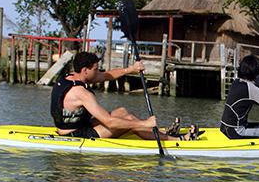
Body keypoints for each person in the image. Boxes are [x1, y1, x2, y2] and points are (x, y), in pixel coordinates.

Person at [52, 51, 181, 140]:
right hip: (75, 134)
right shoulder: (81, 93)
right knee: (130, 121)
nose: (98, 72)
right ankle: (174, 139)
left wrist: (131, 69)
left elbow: (106, 75)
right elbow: (109, 122)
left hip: (78, 125)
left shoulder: (70, 77)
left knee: (122, 112)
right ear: (85, 70)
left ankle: (160, 133)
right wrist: (143, 124)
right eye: (95, 69)